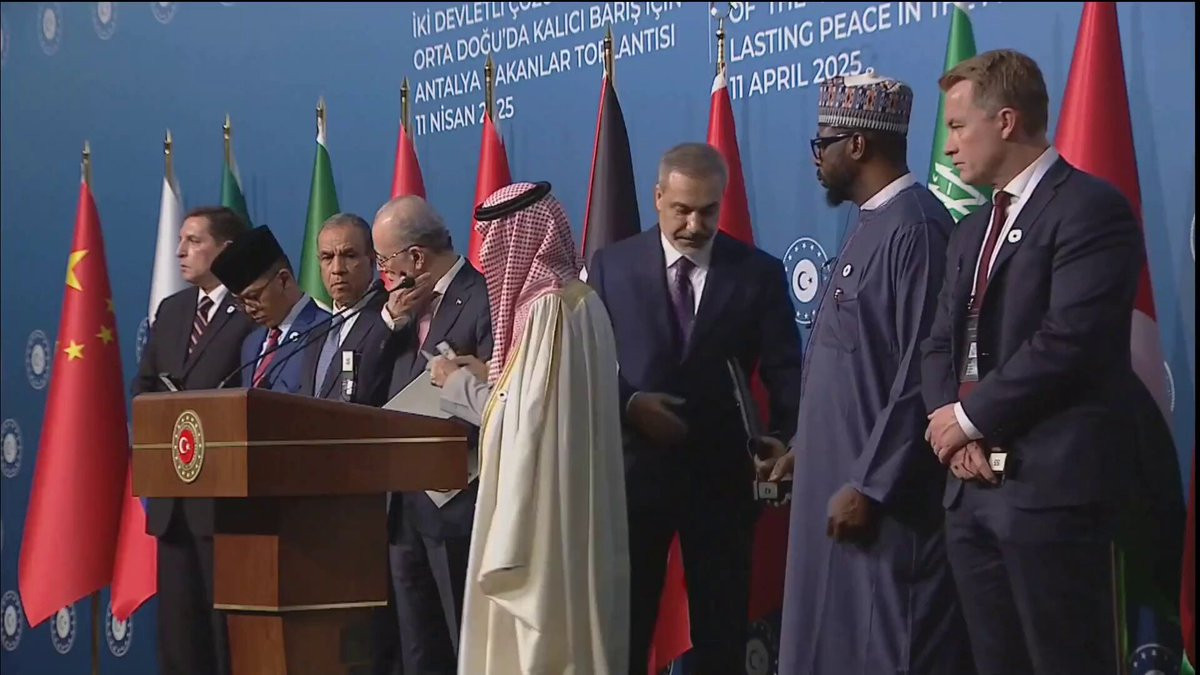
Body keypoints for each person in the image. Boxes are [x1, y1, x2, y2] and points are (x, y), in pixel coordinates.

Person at [920, 49, 1143, 674]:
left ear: (1007, 121)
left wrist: (968, 420)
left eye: (958, 126)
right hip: (969, 495)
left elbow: (1068, 341)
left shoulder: (1090, 209)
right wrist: (950, 429)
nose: (949, 146)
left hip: (1049, 494)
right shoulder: (969, 231)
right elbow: (938, 344)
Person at [761, 74, 971, 674]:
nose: (816, 159)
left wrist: (872, 485)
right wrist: (806, 449)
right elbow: (852, 369)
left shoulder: (917, 229)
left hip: (885, 513)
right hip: (837, 490)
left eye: (822, 143)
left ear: (857, 145)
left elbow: (922, 376)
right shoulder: (872, 224)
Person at [586, 143, 803, 674]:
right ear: (658, 197)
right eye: (682, 209)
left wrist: (783, 438)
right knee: (625, 632)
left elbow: (786, 371)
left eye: (708, 211)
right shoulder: (611, 267)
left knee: (720, 635)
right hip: (635, 481)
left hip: (721, 482)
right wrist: (630, 404)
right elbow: (586, 367)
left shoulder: (757, 273)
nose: (694, 224)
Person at [456, 181, 629, 674]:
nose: (486, 255)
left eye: (494, 239)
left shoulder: (546, 311)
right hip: (573, 500)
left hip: (543, 512)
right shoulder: (582, 301)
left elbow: (526, 422)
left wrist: (460, 387)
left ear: (520, 238)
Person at [131, 205, 255, 675]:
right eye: (180, 240)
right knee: (179, 640)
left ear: (225, 249)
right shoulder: (173, 310)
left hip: (224, 503)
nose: (180, 251)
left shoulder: (250, 309)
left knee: (225, 641)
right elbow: (143, 387)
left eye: (194, 241)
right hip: (172, 502)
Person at [371, 195, 492, 673]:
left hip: (458, 502)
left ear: (416, 258)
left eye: (385, 261)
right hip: (403, 508)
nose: (382, 272)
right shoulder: (394, 308)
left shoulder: (483, 297)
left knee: (463, 644)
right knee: (418, 651)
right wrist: (390, 324)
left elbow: (502, 397)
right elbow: (364, 385)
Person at [296, 212, 402, 675]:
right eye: (326, 258)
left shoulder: (390, 319)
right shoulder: (317, 330)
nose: (336, 268)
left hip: (372, 511)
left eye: (349, 256)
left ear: (373, 261)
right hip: (322, 512)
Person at [210, 224, 329, 392]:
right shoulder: (251, 343)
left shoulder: (325, 331)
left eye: (253, 297)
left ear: (283, 280)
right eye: (241, 302)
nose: (249, 309)